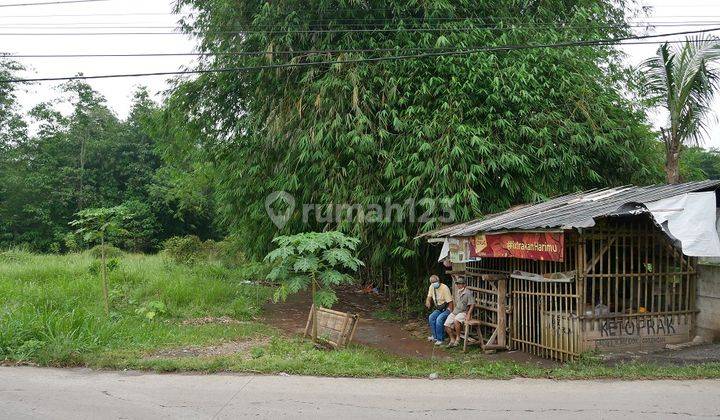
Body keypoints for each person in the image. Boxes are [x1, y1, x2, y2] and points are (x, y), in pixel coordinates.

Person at [444, 277, 475, 347]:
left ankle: (458, 338)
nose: (458, 285)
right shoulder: (458, 291)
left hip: (464, 312)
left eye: (460, 284)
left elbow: (472, 304)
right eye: (457, 284)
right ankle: (452, 339)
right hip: (456, 311)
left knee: (456, 320)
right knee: (446, 324)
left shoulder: (468, 293)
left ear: (464, 284)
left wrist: (469, 314)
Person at [425, 274, 453, 345]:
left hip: (447, 308)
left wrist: (450, 312)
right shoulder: (432, 287)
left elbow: (450, 302)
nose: (434, 284)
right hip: (439, 308)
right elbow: (429, 296)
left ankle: (440, 339)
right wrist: (428, 301)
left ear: (438, 281)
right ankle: (435, 336)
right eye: (432, 282)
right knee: (431, 317)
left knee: (439, 319)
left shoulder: (444, 288)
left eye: (435, 282)